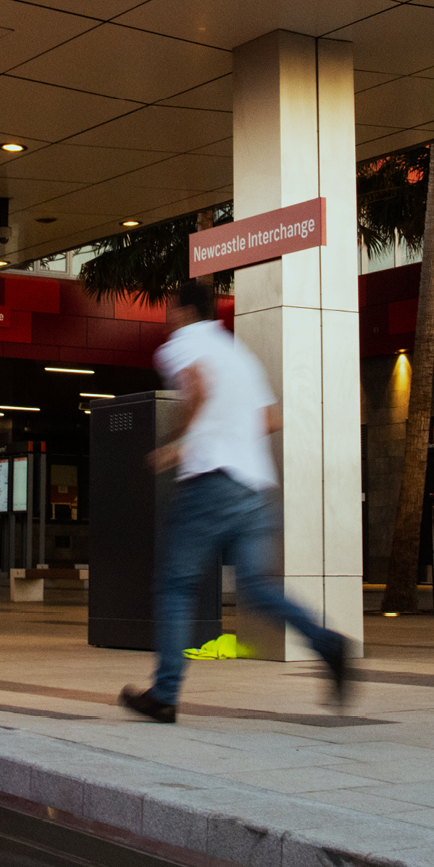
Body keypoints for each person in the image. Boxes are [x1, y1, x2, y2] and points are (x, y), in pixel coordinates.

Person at [120, 280, 350, 724]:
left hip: (212, 481)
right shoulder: (239, 354)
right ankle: (326, 642)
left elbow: (199, 387)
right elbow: (271, 419)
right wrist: (226, 437)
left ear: (184, 311)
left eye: (170, 308)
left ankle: (165, 695)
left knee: (176, 585)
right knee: (258, 587)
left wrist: (178, 443)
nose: (169, 316)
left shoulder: (182, 344)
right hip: (255, 486)